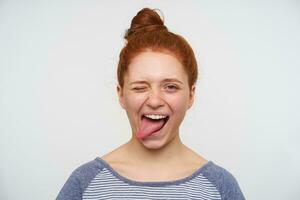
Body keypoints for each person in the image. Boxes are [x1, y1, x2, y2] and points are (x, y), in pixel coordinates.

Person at [56, 7, 245, 200]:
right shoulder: (85, 184)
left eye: (170, 87)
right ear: (121, 95)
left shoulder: (220, 186)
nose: (154, 101)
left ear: (191, 95)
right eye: (140, 87)